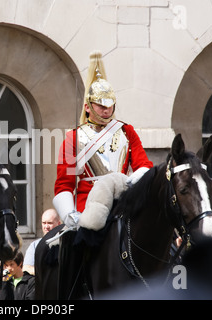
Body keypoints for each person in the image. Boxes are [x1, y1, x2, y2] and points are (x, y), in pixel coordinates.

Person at [52, 51, 153, 299]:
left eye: (110, 105)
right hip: (88, 208)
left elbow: (144, 165)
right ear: (88, 106)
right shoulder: (74, 137)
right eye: (101, 105)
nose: (106, 110)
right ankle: (69, 295)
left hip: (124, 202)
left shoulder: (126, 131)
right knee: (71, 246)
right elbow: (64, 183)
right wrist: (69, 215)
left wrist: (129, 184)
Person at [23, 208, 60, 275]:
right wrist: (47, 274)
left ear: (59, 224)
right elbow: (26, 268)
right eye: (44, 223)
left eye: (50, 223)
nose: (46, 226)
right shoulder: (35, 245)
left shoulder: (64, 244)